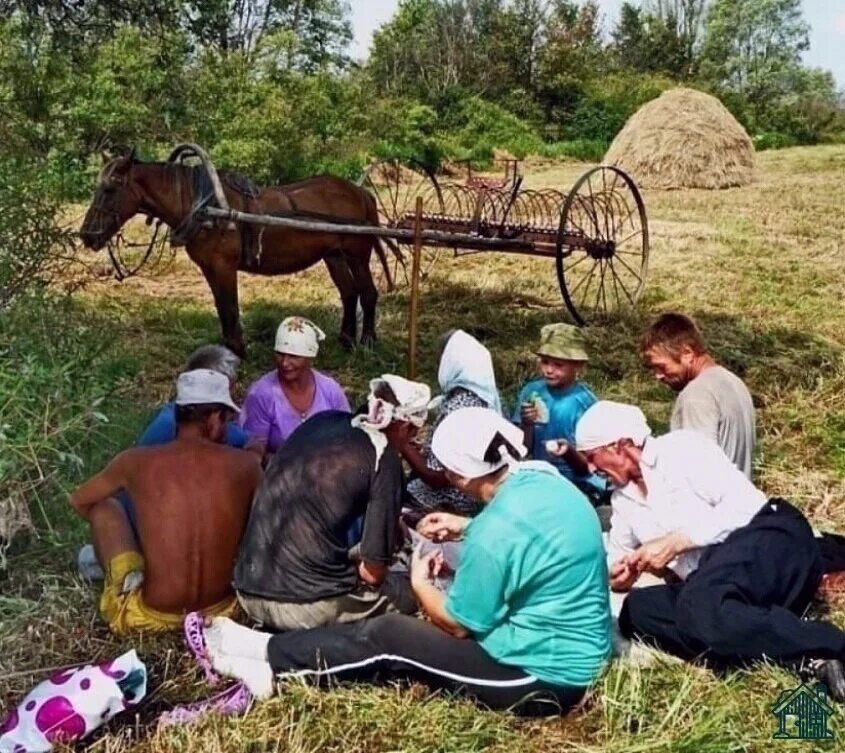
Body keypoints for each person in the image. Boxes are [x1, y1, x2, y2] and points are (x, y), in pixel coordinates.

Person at [197, 407, 612, 716]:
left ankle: (271, 663)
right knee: (395, 630)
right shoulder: (543, 479)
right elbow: (532, 534)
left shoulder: (495, 533)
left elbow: (456, 624)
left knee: (393, 638)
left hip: (539, 677)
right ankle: (270, 651)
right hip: (578, 651)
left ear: (456, 475)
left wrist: (419, 582)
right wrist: (466, 526)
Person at [574, 400, 845, 699]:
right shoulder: (622, 501)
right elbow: (618, 553)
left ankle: (828, 643)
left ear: (619, 446)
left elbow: (744, 507)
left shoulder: (680, 450)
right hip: (715, 584)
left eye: (591, 457)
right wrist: (620, 576)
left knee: (699, 602)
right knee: (637, 611)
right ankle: (796, 657)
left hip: (767, 537)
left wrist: (677, 541)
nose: (590, 468)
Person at [232, 375, 431, 631]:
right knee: (414, 588)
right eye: (413, 432)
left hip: (248, 589)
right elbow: (372, 574)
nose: (411, 441)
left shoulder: (321, 421)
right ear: (403, 426)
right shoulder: (385, 457)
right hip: (301, 607)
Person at [70, 370, 262, 635]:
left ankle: (127, 580)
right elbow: (269, 523)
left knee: (104, 507)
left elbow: (79, 501)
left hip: (148, 618)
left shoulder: (134, 462)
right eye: (227, 419)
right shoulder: (246, 465)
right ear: (215, 418)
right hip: (222, 612)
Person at [399, 329, 503, 521]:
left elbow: (437, 478)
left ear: (452, 365)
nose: (438, 368)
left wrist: (401, 443)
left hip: (447, 500)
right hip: (473, 493)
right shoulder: (484, 397)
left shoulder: (459, 406)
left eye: (441, 362)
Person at [641, 312, 755, 478]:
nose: (657, 375)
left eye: (661, 366)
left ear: (687, 353)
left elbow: (699, 470)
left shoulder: (697, 395)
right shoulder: (733, 382)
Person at [513, 323, 605, 498]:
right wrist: (526, 424)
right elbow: (522, 448)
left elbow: (591, 463)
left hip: (573, 484)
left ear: (578, 366)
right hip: (538, 477)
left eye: (558, 365)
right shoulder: (531, 392)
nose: (549, 370)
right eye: (545, 362)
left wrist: (569, 452)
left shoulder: (585, 403)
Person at [240, 316, 350, 458]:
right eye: (280, 354)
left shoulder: (330, 391)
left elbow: (348, 438)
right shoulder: (262, 394)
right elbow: (254, 450)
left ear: (310, 357)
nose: (285, 363)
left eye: (293, 356)